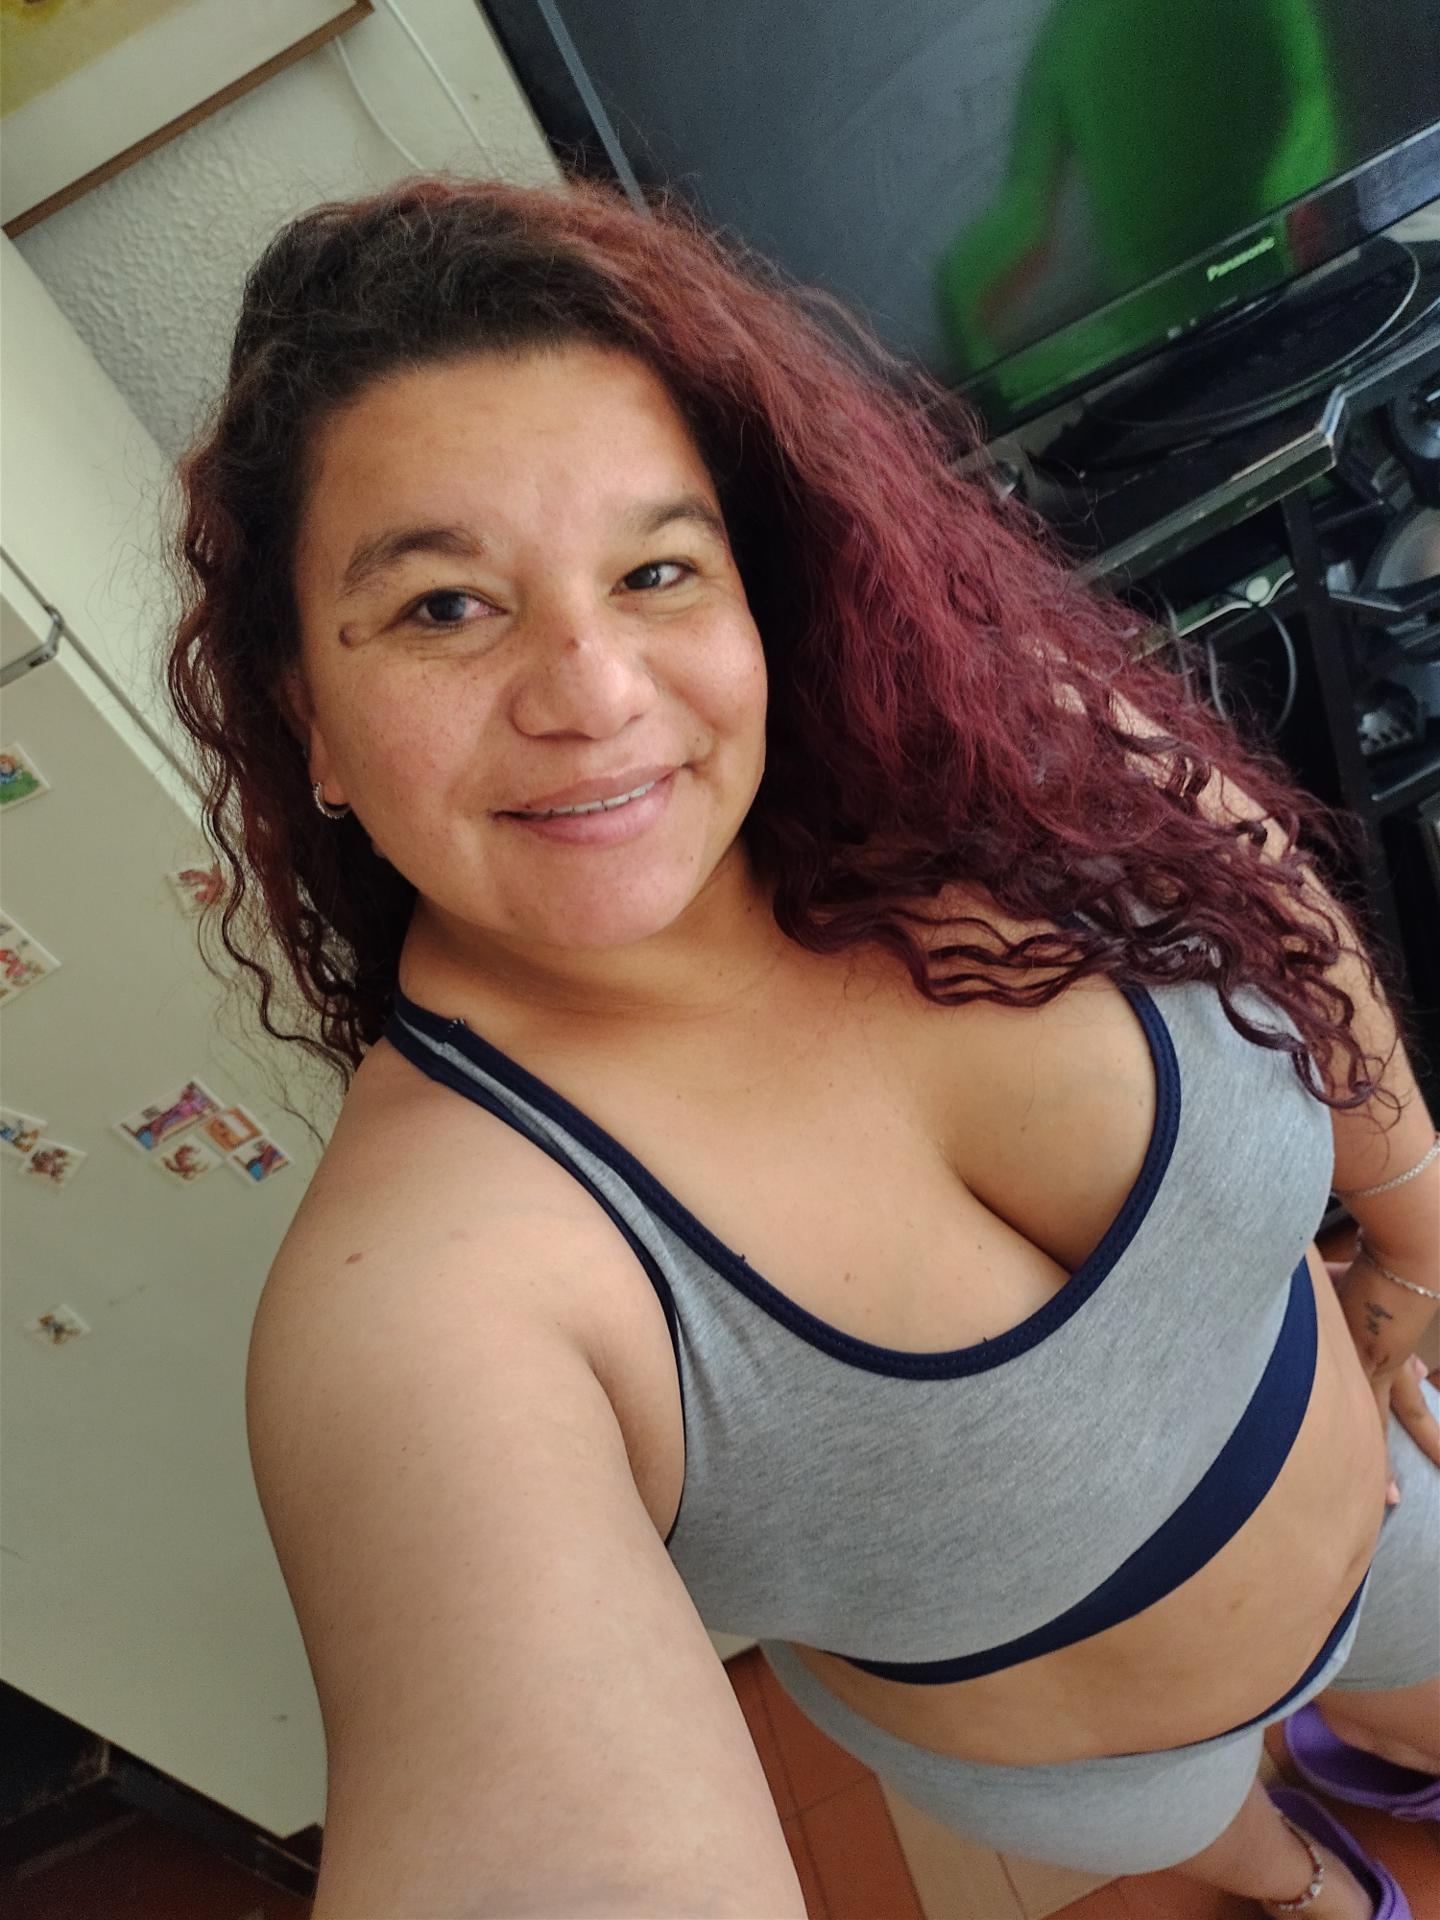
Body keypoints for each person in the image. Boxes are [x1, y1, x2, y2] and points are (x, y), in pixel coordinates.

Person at [166, 173, 1440, 1919]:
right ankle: (1297, 1884)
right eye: (446, 606)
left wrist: (1417, 1219)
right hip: (1110, 1778)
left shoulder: (1000, 772)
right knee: (1243, 1867)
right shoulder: (438, 1299)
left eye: (656, 570)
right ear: (307, 711)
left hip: (1393, 1502)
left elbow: (1263, 888)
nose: (595, 692)